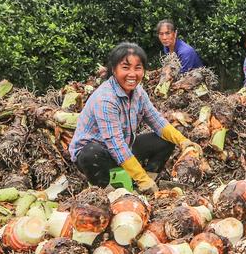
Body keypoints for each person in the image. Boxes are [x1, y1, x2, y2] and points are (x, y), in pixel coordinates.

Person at [69, 42, 201, 194]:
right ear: (114, 69)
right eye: (125, 67)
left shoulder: (138, 92)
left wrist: (183, 141)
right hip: (98, 153)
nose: (132, 74)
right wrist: (141, 178)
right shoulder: (105, 99)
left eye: (137, 68)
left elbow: (156, 120)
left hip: (125, 147)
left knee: (166, 140)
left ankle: (149, 184)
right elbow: (115, 144)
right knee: (90, 153)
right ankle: (108, 192)